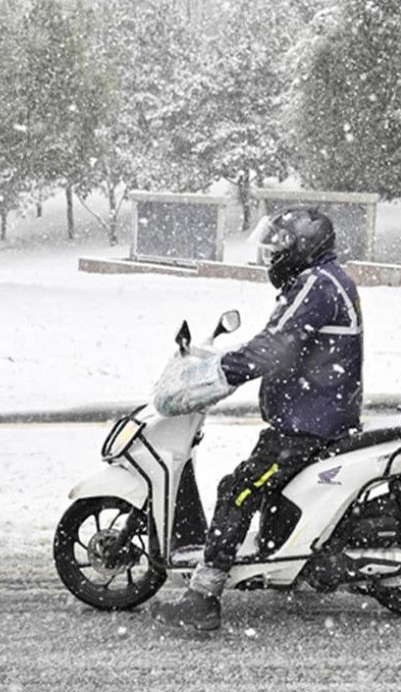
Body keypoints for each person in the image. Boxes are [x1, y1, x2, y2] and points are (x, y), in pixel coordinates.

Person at [149, 207, 363, 632]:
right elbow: (280, 340)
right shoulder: (322, 279)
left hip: (308, 425)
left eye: (279, 247)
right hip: (313, 416)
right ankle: (295, 565)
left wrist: (219, 374)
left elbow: (276, 346)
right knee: (267, 491)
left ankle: (203, 598)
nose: (271, 256)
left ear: (302, 247)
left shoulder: (316, 284)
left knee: (238, 491)